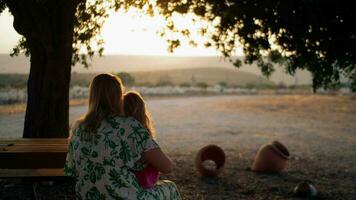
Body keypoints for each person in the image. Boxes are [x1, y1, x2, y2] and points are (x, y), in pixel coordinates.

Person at [64, 73, 181, 200]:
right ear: (118, 96)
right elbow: (167, 167)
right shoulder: (128, 125)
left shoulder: (78, 127)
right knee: (170, 188)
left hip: (86, 196)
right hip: (124, 196)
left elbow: (72, 170)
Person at [124, 91, 159, 189]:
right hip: (142, 182)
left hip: (124, 182)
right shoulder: (141, 134)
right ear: (142, 111)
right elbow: (167, 167)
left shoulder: (117, 131)